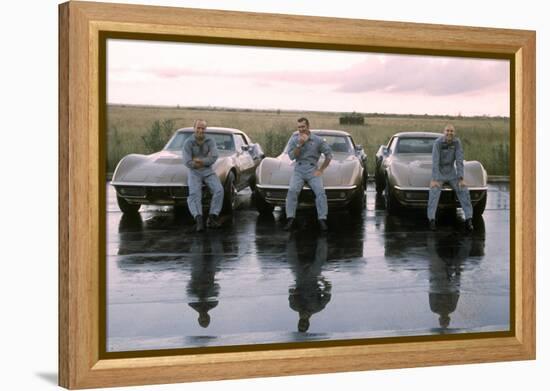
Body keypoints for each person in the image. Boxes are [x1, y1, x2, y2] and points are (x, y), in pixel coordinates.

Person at [284, 117, 332, 232]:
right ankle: (290, 218)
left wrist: (321, 169)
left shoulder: (318, 140)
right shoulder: (294, 139)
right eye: (299, 127)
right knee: (292, 190)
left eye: (303, 127)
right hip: (299, 169)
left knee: (320, 192)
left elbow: (329, 155)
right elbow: (292, 157)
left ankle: (322, 219)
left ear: (308, 126)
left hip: (312, 169)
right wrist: (299, 144)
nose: (301, 129)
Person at [427, 124, 474, 231]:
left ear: (454, 133)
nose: (449, 133)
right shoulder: (438, 143)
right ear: (444, 132)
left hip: (452, 173)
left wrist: (461, 178)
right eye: (447, 131)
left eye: (451, 131)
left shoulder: (457, 143)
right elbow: (435, 161)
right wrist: (434, 179)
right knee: (434, 190)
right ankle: (431, 220)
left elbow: (459, 160)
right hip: (439, 172)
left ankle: (469, 219)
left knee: (463, 189)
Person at [182, 119, 224, 232]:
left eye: (203, 128)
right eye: (198, 128)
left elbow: (214, 157)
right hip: (193, 171)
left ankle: (212, 218)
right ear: (194, 128)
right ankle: (199, 220)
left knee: (219, 190)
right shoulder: (188, 143)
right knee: (194, 194)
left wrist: (200, 161)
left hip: (207, 170)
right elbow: (187, 161)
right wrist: (203, 161)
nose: (200, 130)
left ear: (205, 129)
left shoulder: (210, 141)